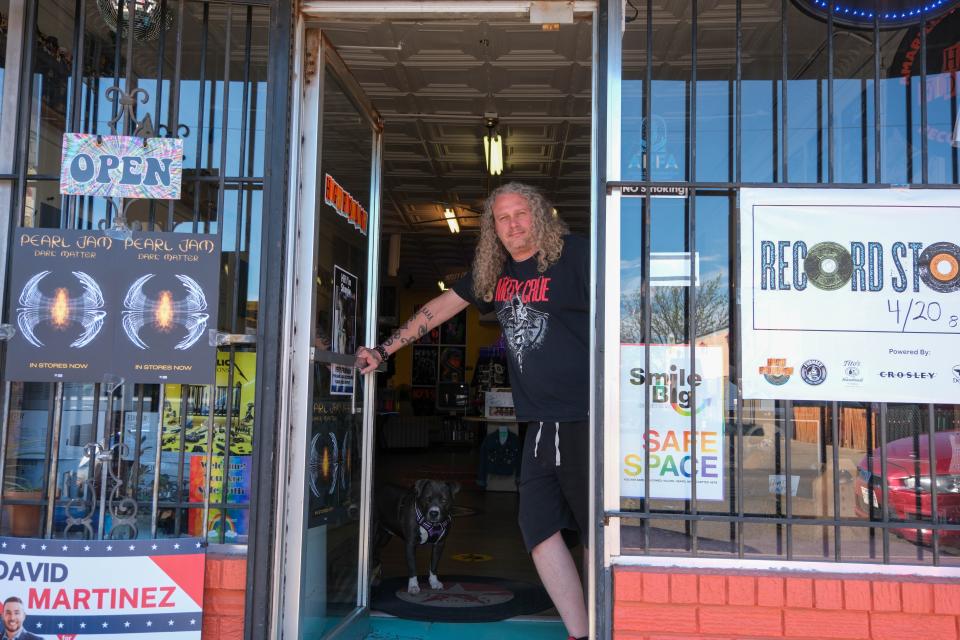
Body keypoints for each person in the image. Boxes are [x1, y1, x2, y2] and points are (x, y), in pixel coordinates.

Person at [357, 182, 590, 640]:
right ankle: (581, 632)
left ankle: (615, 624)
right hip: (540, 422)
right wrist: (384, 350)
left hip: (585, 415)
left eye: (520, 213)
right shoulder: (495, 271)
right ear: (493, 229)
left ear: (540, 213)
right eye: (502, 218)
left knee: (598, 531)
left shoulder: (575, 254)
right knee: (538, 530)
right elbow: (441, 308)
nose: (513, 224)